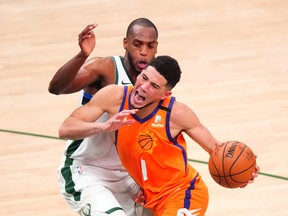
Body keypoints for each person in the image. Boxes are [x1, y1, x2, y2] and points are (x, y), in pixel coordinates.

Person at [58, 55, 260, 216]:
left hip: (183, 193)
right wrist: (103, 127)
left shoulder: (176, 114)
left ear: (165, 94)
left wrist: (246, 169)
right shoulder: (115, 97)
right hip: (150, 199)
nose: (144, 87)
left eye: (154, 86)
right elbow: (66, 129)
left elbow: (217, 149)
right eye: (144, 78)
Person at [49, 18, 158, 216]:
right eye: (137, 44)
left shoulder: (154, 84)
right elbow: (57, 88)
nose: (144, 51)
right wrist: (82, 55)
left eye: (150, 46)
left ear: (156, 48)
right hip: (87, 169)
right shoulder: (105, 68)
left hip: (127, 176)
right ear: (125, 43)